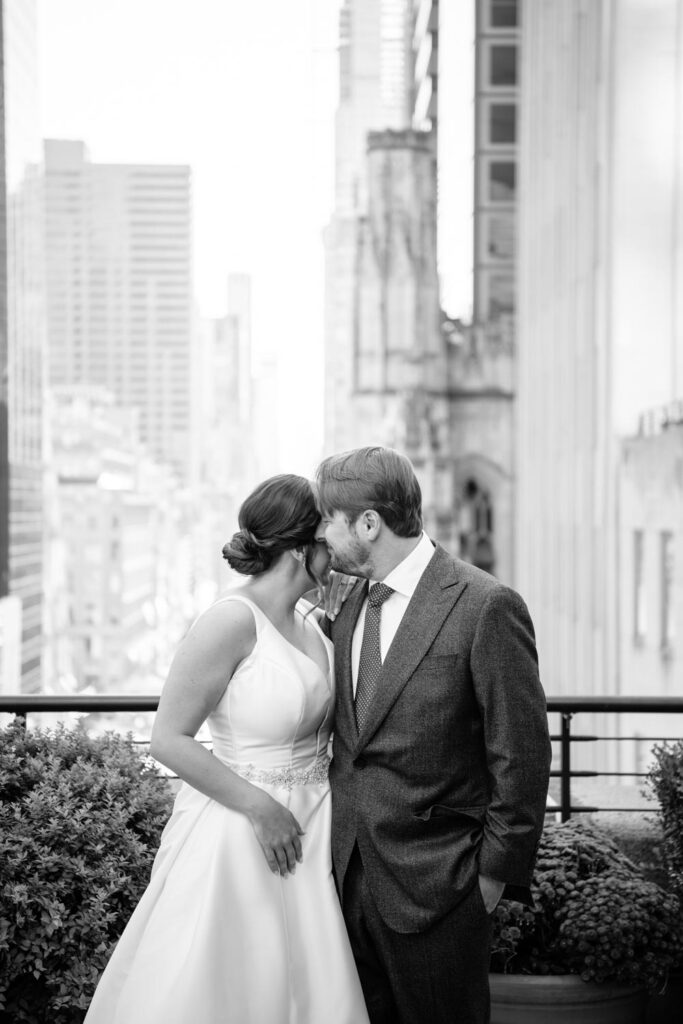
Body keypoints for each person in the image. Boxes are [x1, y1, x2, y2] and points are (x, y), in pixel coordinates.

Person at [84, 474, 370, 1024]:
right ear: (296, 549)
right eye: (325, 536)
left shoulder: (313, 621)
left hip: (313, 826)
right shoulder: (230, 621)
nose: (334, 548)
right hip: (240, 831)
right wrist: (261, 808)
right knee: (231, 983)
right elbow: (168, 739)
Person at [315, 446, 552, 1024]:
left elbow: (521, 755)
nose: (321, 534)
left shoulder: (485, 606)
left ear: (369, 523)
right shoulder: (348, 606)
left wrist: (489, 879)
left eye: (329, 519)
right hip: (345, 883)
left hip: (441, 892)